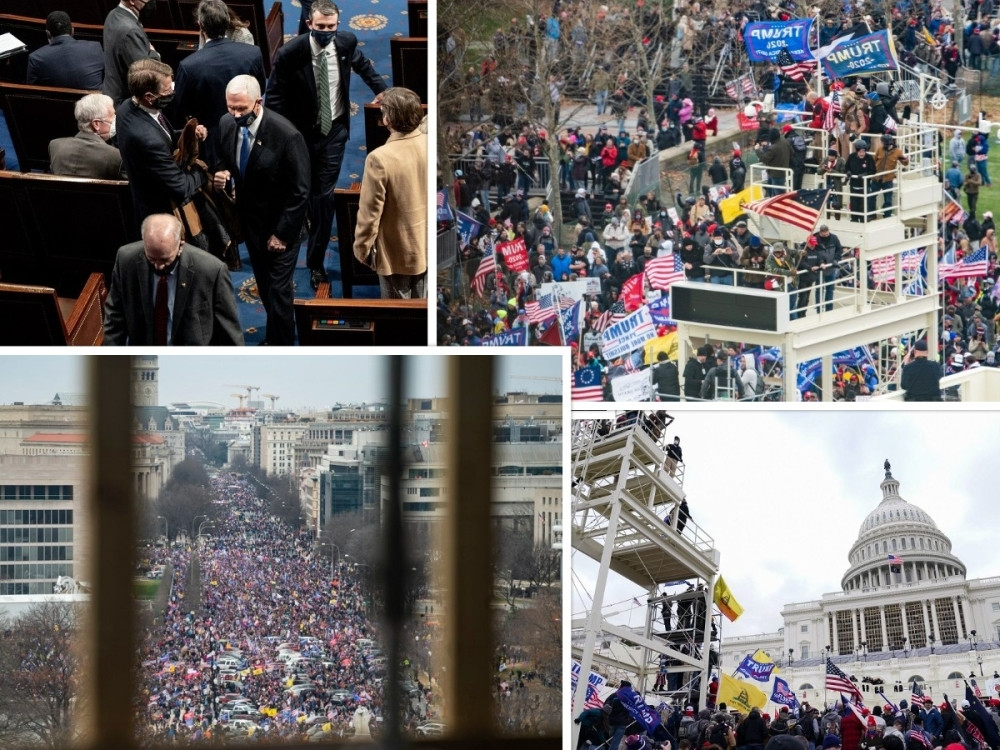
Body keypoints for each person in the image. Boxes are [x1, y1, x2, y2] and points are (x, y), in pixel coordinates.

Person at [266, 0, 388, 291]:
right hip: (300, 136)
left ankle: (316, 262)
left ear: (338, 25)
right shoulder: (289, 54)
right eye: (320, 27)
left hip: (334, 132)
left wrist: (383, 91)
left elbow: (361, 63)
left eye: (331, 27)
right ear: (309, 24)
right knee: (302, 190)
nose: (326, 32)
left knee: (324, 199)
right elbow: (274, 100)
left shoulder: (345, 42)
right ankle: (305, 219)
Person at [214, 75, 310, 345]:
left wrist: (282, 234)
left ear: (258, 102)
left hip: (282, 227)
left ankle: (281, 347)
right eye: (230, 107)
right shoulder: (226, 124)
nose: (234, 114)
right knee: (265, 286)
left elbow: (300, 190)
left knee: (279, 291)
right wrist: (222, 172)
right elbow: (224, 157)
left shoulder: (286, 135)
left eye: (241, 109)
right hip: (250, 223)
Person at [103, 213, 243, 345]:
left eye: (165, 259)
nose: (158, 266)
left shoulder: (211, 271)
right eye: (151, 258)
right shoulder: (126, 260)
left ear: (180, 245)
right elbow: (115, 317)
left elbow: (229, 333)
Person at [116, 59, 210, 228]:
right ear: (149, 97)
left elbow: (162, 133)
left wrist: (186, 133)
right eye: (167, 90)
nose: (172, 92)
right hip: (161, 213)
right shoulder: (148, 140)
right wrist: (203, 172)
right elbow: (181, 187)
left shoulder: (126, 106)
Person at [172, 0, 266, 170]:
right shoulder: (252, 54)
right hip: (248, 130)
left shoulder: (189, 66)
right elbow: (261, 89)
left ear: (200, 25)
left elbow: (179, 108)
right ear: (227, 22)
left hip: (210, 140)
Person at [353, 87, 428, 299]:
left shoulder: (379, 158)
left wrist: (362, 250)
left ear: (387, 119)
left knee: (399, 324)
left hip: (396, 255)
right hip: (427, 247)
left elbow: (369, 214)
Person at [48, 93, 124, 180]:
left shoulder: (55, 146)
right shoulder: (116, 157)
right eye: (112, 115)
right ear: (96, 124)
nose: (116, 118)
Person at [103, 0, 161, 105]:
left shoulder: (113, 14)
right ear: (131, 1)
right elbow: (147, 74)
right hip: (124, 103)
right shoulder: (130, 31)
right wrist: (154, 53)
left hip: (112, 94)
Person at [27, 11, 104, 90]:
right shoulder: (95, 47)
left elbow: (33, 93)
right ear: (73, 31)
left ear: (48, 34)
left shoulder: (36, 58)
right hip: (94, 102)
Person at [873, 134, 909, 218]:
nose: (881, 144)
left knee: (888, 199)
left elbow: (905, 163)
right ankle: (871, 214)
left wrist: (906, 159)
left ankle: (887, 216)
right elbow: (874, 160)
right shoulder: (879, 149)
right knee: (871, 197)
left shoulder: (898, 152)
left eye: (882, 142)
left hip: (888, 179)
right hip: (877, 177)